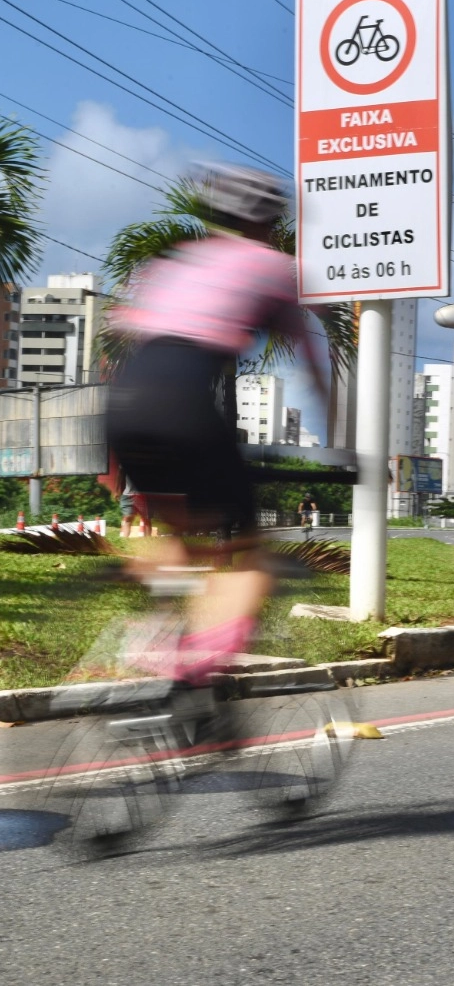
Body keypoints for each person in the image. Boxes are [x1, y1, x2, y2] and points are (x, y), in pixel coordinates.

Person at [106, 163, 327, 701]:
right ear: (273, 223)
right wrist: (344, 436)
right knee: (250, 548)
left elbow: (123, 335)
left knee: (173, 531)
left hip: (123, 403)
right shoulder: (277, 267)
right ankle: (196, 665)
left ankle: (156, 635)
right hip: (182, 402)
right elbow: (314, 370)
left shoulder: (175, 261)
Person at [119, 475, 152, 539]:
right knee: (128, 518)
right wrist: (117, 489)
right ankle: (125, 540)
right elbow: (120, 473)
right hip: (127, 494)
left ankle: (148, 540)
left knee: (146, 519)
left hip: (142, 495)